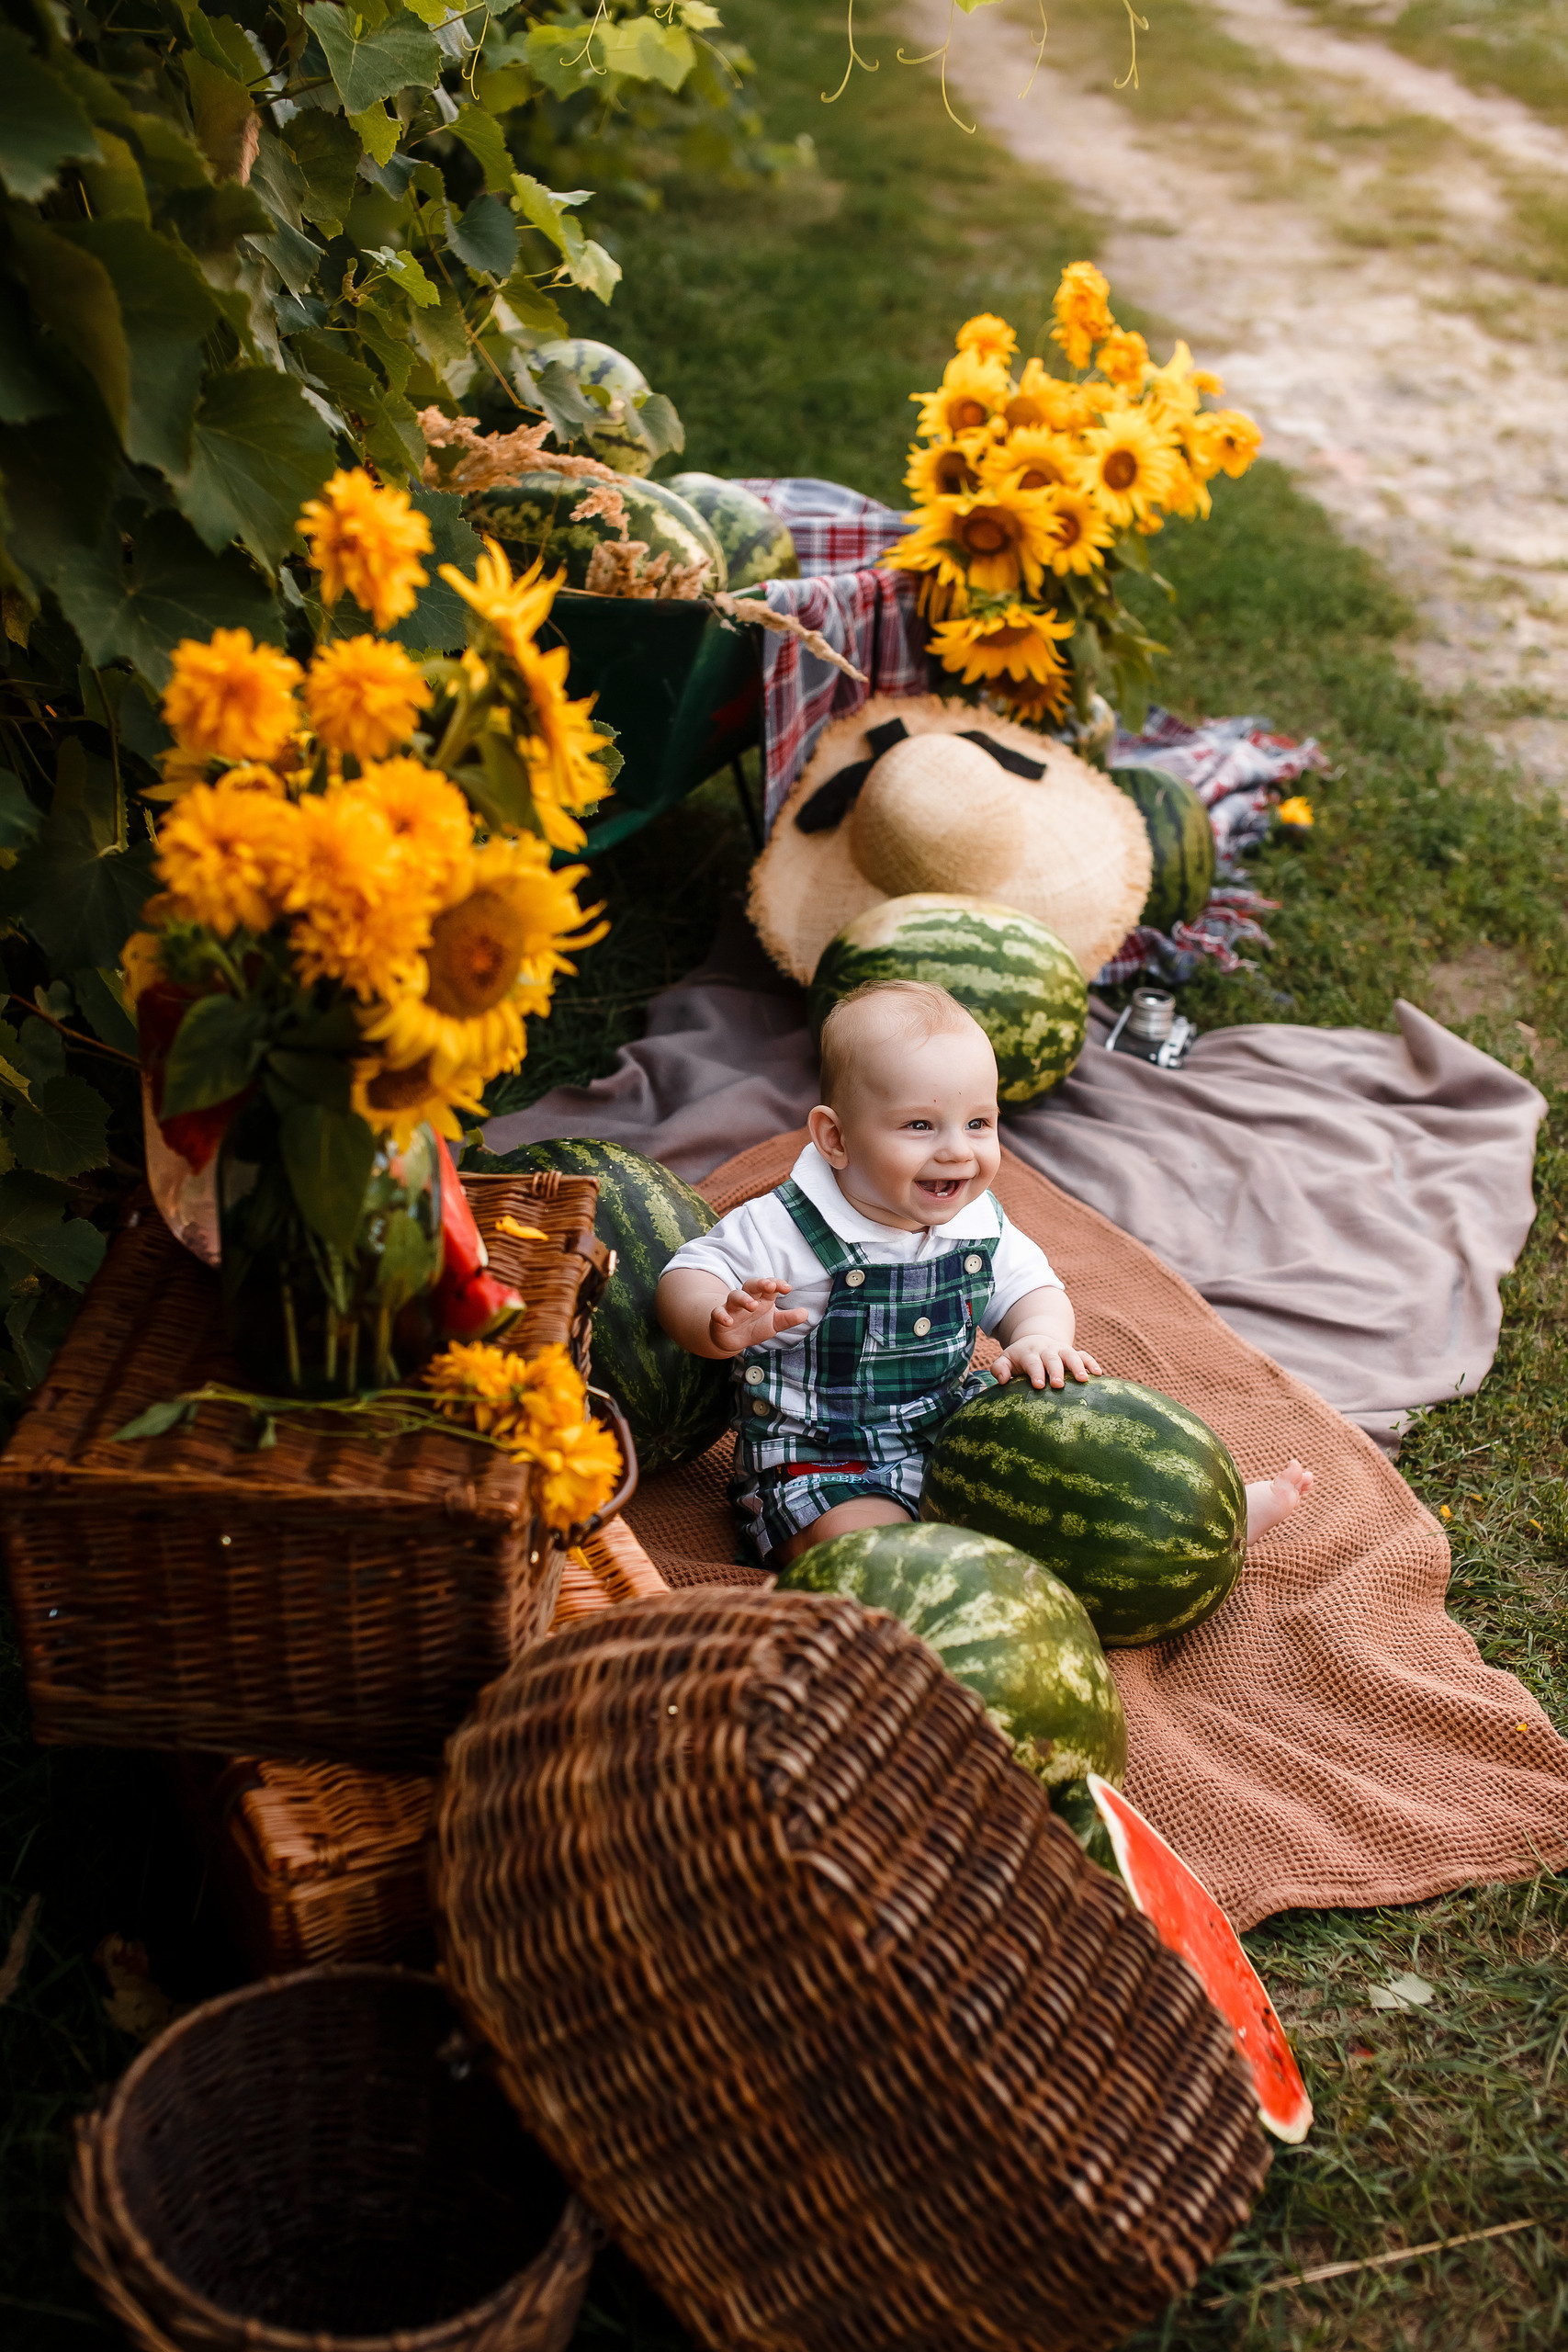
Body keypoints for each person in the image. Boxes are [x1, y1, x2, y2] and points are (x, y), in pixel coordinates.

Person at [657, 979, 1312, 1567]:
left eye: (978, 1123)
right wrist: (715, 1323)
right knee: (875, 1552)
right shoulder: (784, 1227)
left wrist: (1038, 1336)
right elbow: (690, 1269)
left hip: (952, 1431)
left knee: (1068, 1464)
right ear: (835, 1139)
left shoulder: (977, 1225)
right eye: (920, 1125)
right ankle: (926, 1582)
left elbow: (1031, 1287)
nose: (957, 1150)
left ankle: (1196, 1525)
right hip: (825, 1462)